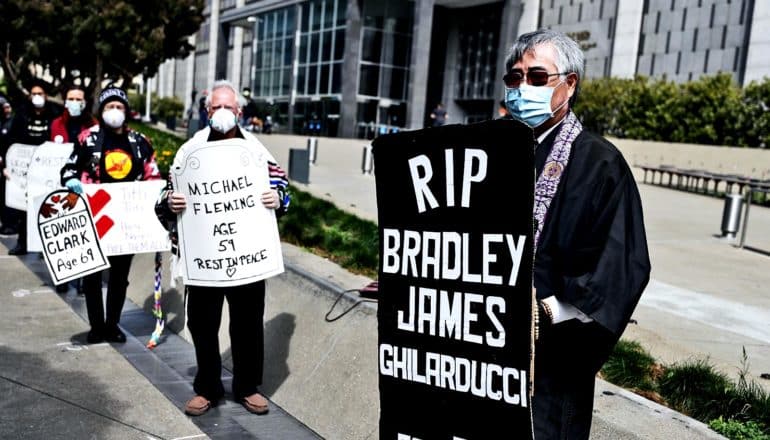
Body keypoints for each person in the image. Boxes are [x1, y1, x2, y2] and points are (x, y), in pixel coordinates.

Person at [502, 29, 650, 438]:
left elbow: (622, 267)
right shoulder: (494, 154)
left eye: (536, 77)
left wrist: (549, 310)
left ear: (569, 84)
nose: (521, 88)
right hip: (487, 352)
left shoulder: (600, 164)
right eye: (514, 78)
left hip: (551, 364)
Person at [154, 80, 290, 417]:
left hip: (246, 258)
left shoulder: (257, 153)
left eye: (229, 107)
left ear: (240, 112)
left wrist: (279, 199)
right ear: (207, 110)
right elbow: (163, 196)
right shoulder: (190, 152)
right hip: (205, 260)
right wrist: (170, 202)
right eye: (217, 107)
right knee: (202, 325)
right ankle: (208, 388)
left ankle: (246, 387)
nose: (223, 113)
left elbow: (283, 187)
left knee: (247, 324)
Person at [60, 86, 161, 343]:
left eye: (119, 107)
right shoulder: (87, 138)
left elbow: (154, 177)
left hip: (127, 221)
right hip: (95, 217)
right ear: (101, 110)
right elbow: (69, 168)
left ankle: (113, 324)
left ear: (126, 111)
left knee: (119, 277)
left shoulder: (140, 143)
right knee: (92, 274)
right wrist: (72, 182)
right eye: (109, 107)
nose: (114, 112)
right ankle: (96, 326)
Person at [50, 85, 97, 293]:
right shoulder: (56, 124)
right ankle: (62, 274)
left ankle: (82, 281)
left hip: (83, 187)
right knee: (63, 230)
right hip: (60, 183)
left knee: (81, 232)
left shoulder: (93, 126)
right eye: (71, 98)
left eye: (79, 99)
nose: (75, 102)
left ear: (84, 102)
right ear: (65, 100)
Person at [7, 81, 59, 255]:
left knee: (48, 207)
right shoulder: (21, 114)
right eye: (33, 93)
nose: (37, 97)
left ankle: (46, 247)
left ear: (46, 95)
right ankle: (23, 242)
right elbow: (11, 141)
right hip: (25, 169)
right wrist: (9, 165)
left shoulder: (54, 114)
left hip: (47, 168)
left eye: (40, 93)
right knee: (24, 208)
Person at [0, 97, 16, 235]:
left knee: (8, 194)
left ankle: (10, 224)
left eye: (8, 106)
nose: (7, 109)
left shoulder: (12, 123)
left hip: (10, 165)